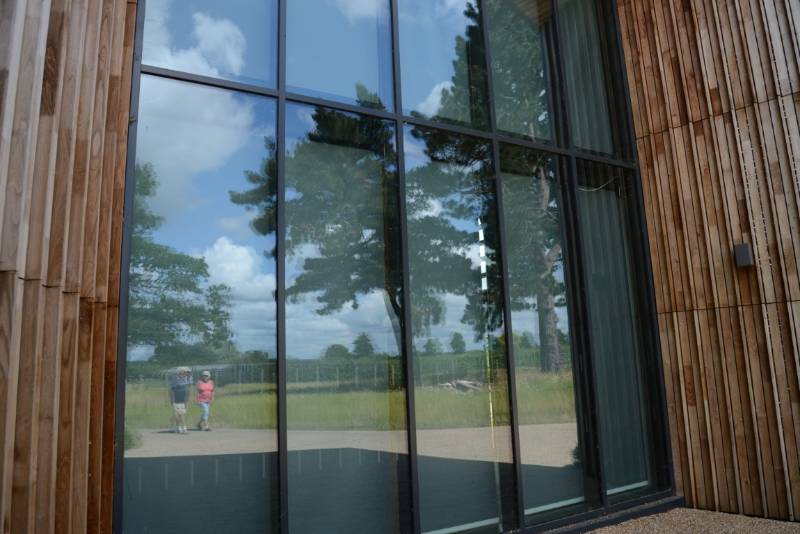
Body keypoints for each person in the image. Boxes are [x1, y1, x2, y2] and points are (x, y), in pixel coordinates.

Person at [168, 367, 193, 434]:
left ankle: (177, 427)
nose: (186, 373)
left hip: (184, 399)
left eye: (186, 372)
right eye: (184, 372)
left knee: (180, 414)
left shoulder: (186, 379)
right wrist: (172, 399)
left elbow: (188, 390)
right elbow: (171, 390)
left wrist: (187, 399)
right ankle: (184, 428)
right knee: (180, 414)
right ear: (179, 372)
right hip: (176, 399)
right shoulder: (175, 379)